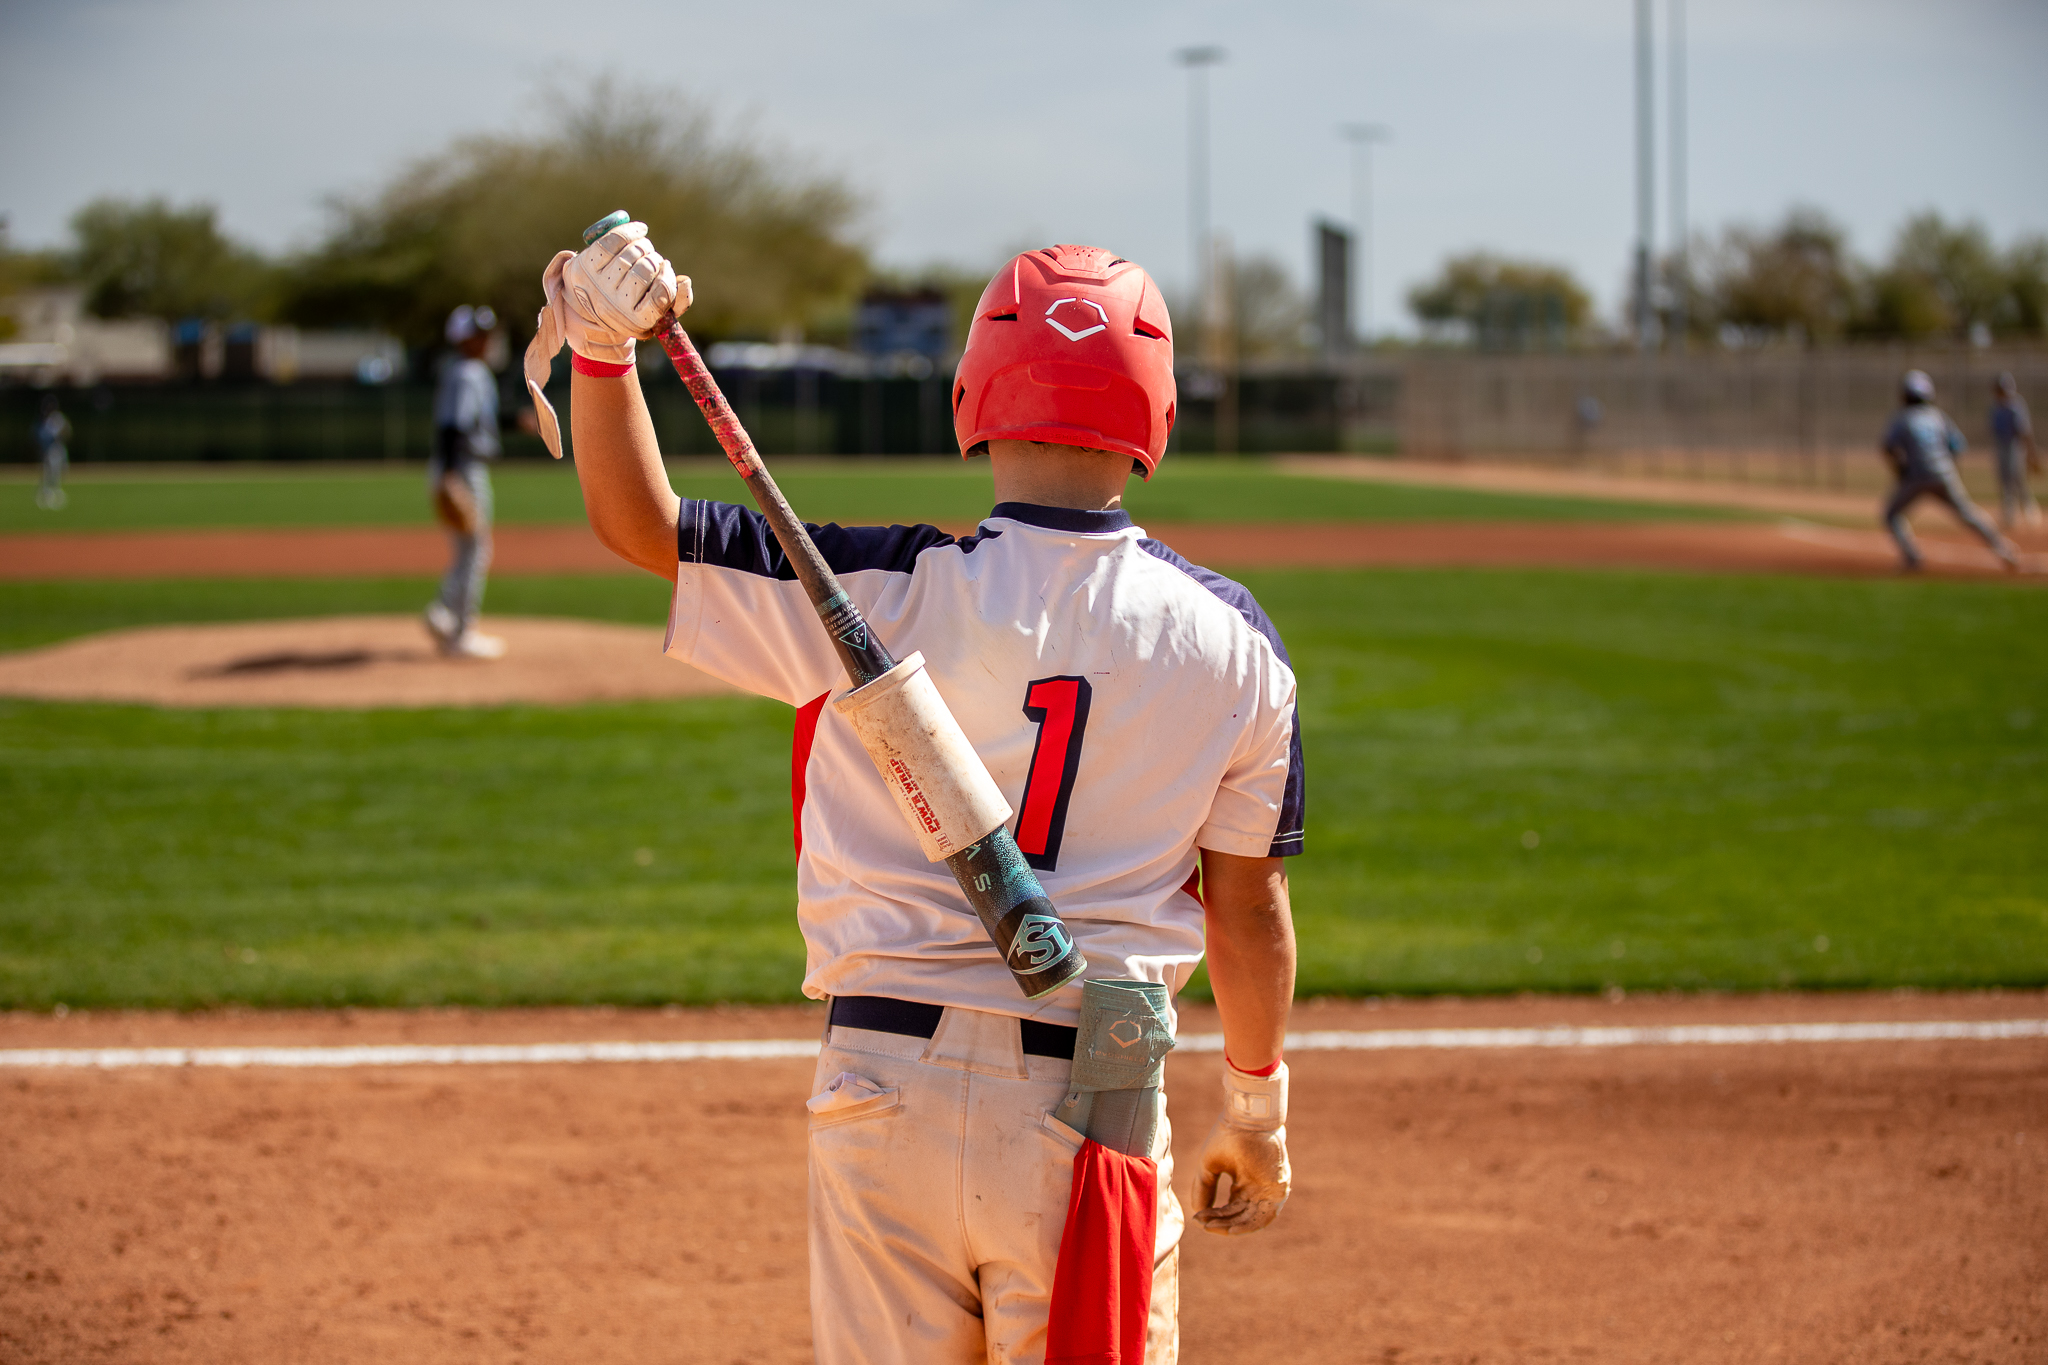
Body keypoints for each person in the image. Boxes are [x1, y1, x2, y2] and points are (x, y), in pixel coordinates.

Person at [536, 224, 1302, 1364]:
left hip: (879, 1088)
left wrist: (601, 351)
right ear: (1158, 415)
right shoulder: (1234, 643)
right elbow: (1245, 910)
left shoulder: (878, 584)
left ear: (972, 395)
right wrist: (1256, 1116)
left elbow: (640, 525)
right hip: (1094, 1108)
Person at [424, 304, 506, 658]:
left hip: (454, 466)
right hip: (462, 469)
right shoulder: (470, 373)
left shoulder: (460, 370)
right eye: (479, 335)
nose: (486, 341)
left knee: (466, 550)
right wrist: (451, 475)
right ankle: (459, 630)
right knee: (476, 550)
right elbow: (453, 427)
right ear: (464, 339)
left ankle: (444, 613)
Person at [1879, 369, 2019, 572]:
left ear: (1905, 395)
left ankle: (1912, 557)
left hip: (1915, 477)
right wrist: (1945, 465)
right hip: (1944, 474)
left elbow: (1888, 448)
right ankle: (2004, 549)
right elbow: (1958, 446)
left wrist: (1899, 469)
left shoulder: (1902, 418)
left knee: (1891, 515)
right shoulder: (1938, 417)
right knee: (1969, 514)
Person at [1990, 372, 2039, 529]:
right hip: (2001, 446)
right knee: (2004, 479)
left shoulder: (2015, 405)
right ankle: (2009, 512)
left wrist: (2031, 452)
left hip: (2015, 446)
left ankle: (2028, 509)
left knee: (2017, 478)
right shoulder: (1996, 408)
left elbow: (2024, 430)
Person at [33, 394, 71, 511]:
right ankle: (47, 493)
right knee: (48, 471)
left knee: (59, 470)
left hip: (57, 447)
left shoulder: (58, 418)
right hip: (49, 448)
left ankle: (54, 491)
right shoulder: (45, 419)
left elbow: (67, 431)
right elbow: (40, 435)